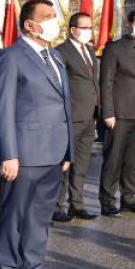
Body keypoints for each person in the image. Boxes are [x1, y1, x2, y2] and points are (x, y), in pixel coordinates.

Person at [0, 0, 72, 269]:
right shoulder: (11, 57)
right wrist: (9, 153)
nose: (55, 21)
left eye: (55, 15)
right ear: (29, 24)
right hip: (24, 153)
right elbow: (3, 108)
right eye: (48, 16)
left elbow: (64, 104)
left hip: (53, 151)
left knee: (40, 215)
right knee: (15, 216)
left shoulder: (55, 56)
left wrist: (67, 152)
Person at [99, 10, 135, 215]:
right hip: (119, 114)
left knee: (133, 160)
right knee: (113, 159)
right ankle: (107, 200)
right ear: (129, 23)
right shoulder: (114, 49)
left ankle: (129, 197)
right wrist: (108, 112)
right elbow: (106, 82)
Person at [53, 12, 100, 221]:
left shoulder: (90, 50)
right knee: (64, 163)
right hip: (70, 116)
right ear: (73, 30)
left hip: (90, 116)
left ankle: (77, 204)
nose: (88, 31)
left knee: (81, 163)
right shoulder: (61, 51)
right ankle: (56, 206)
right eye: (84, 27)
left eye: (90, 27)